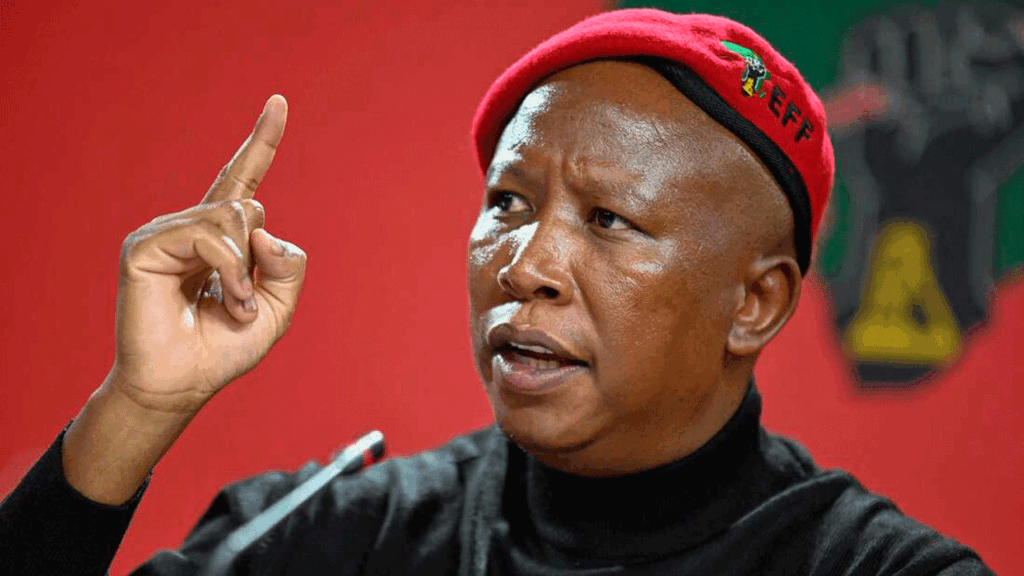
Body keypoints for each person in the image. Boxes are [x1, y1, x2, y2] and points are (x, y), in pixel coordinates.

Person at [0, 8, 994, 576]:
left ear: (755, 305)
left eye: (608, 219)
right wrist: (140, 405)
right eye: (508, 203)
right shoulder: (344, 535)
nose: (524, 265)